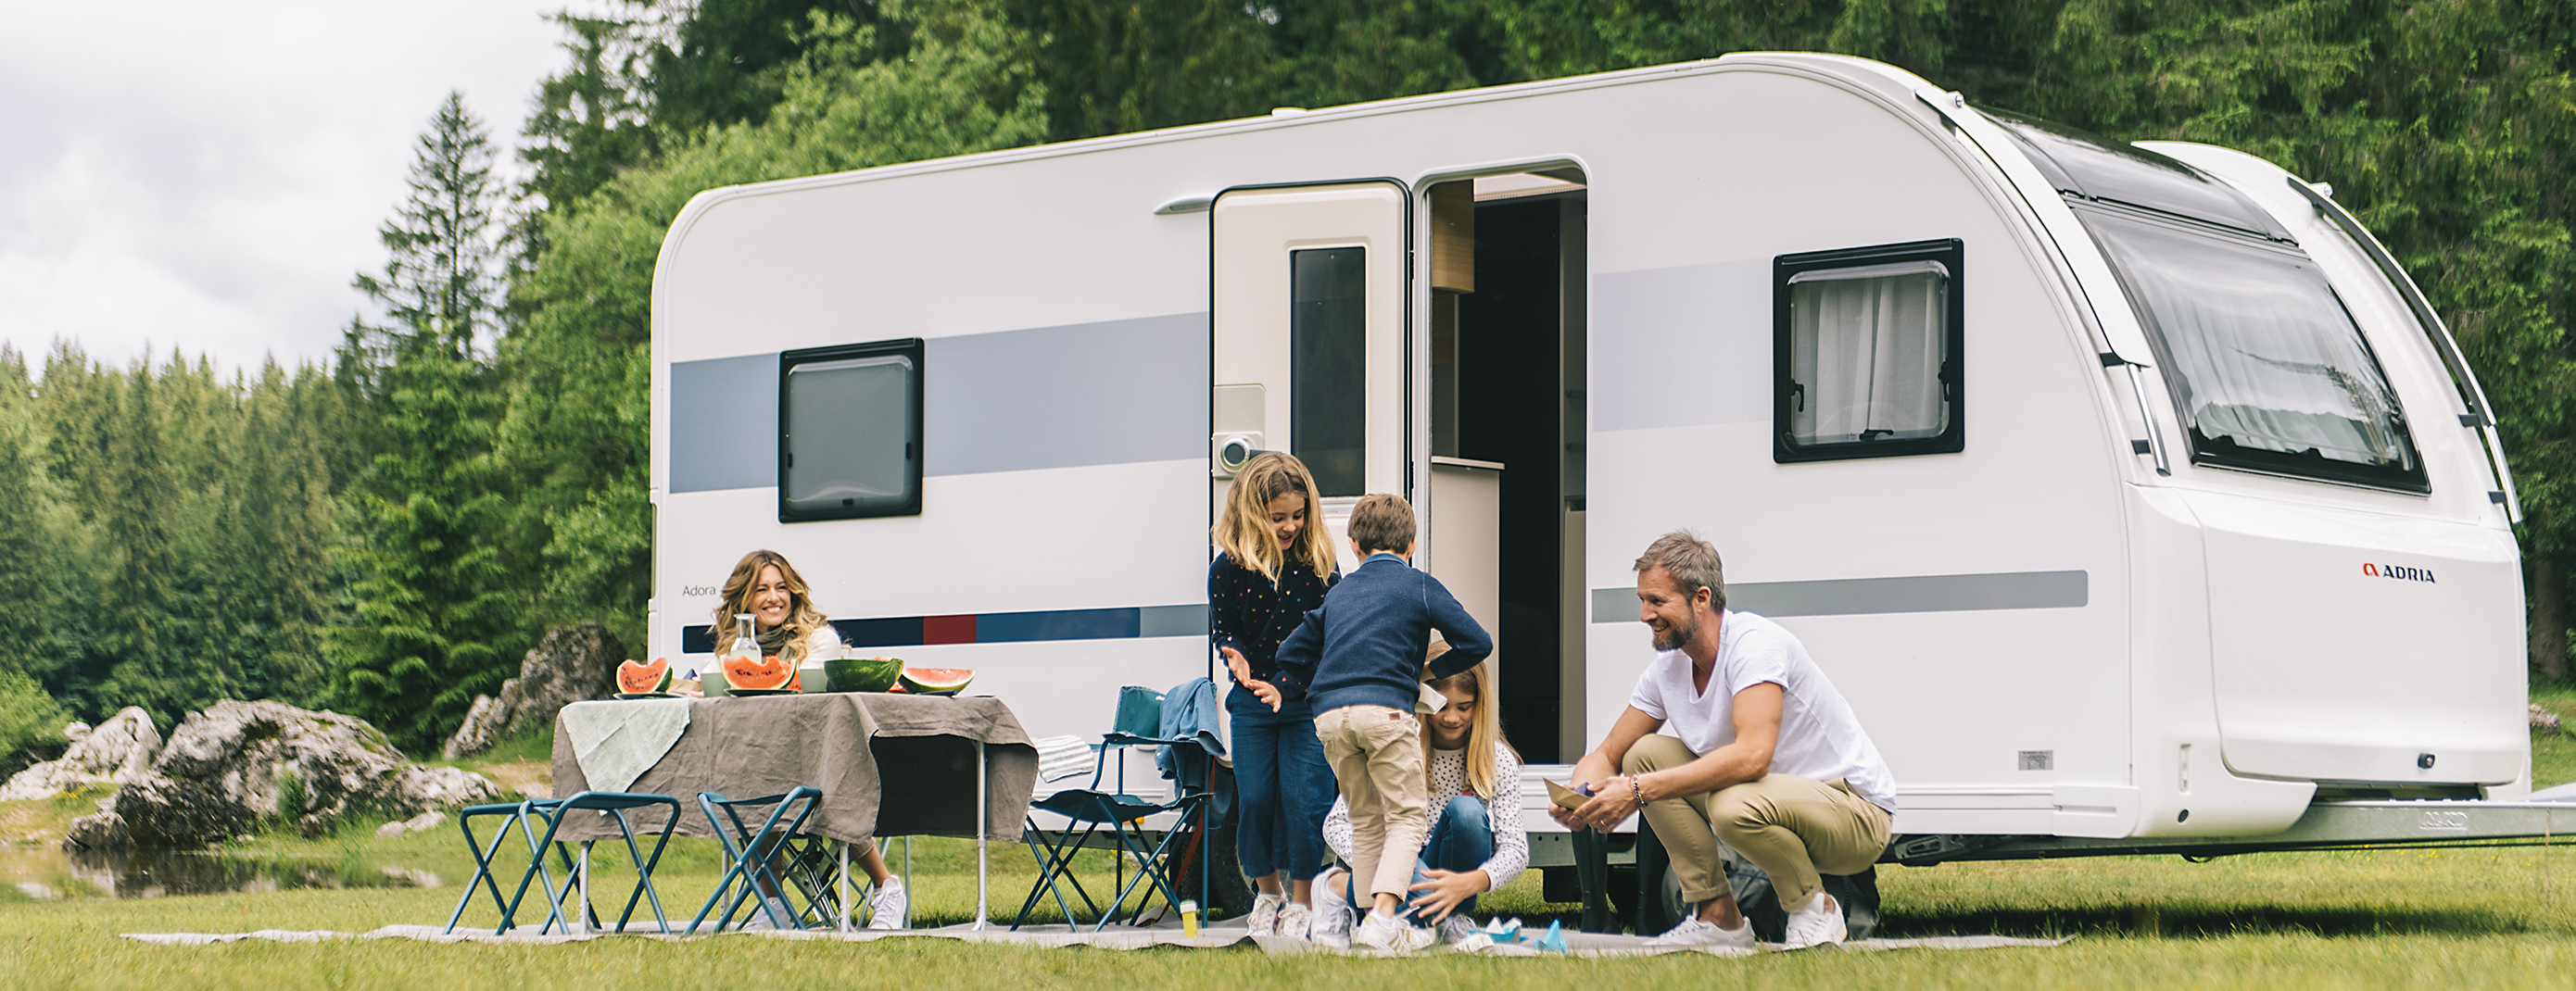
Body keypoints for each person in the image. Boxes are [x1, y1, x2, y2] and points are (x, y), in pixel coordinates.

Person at [1553, 532, 1897, 949]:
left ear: (1701, 597)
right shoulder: (1668, 669)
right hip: (1768, 805)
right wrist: (1578, 796)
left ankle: (1814, 908)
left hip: (1853, 814)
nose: (1644, 614)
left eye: (1657, 601)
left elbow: (1753, 758)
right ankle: (1718, 916)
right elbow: (1608, 754)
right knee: (1644, 754)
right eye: (1642, 600)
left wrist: (1637, 792)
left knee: (1729, 806)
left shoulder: (1755, 646)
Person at [1270, 494, 1490, 954]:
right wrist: (1422, 672)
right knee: (1406, 817)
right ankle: (1386, 917)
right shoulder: (1419, 585)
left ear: (1354, 545)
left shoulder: (1340, 592)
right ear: (1411, 544)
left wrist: (1330, 682)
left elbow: (1289, 653)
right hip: (1387, 712)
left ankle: (1367, 926)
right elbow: (1476, 641)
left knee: (1366, 820)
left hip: (1330, 718)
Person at [711, 549, 909, 930]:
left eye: (781, 588)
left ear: (794, 593)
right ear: (745, 599)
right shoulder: (737, 646)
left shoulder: (820, 639)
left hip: (826, 756)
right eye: (762, 589)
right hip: (771, 756)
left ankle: (887, 887)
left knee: (832, 791)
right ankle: (774, 903)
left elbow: (798, 680)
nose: (774, 597)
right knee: (756, 786)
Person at [1207, 453, 1343, 939]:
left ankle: (1303, 900)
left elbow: (1328, 639)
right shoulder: (1226, 571)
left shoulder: (1319, 567)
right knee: (1258, 799)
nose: (1290, 526)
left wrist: (1285, 686)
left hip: (1306, 701)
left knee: (1305, 801)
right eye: (1278, 516)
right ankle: (1268, 893)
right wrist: (1234, 657)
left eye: (1298, 515)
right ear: (1251, 514)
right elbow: (1227, 630)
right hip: (1251, 703)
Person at [1315, 648, 1526, 946]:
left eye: (1464, 707)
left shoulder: (1497, 759)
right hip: (1394, 865)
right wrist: (1391, 866)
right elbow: (1336, 825)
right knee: (1402, 859)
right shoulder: (1394, 746)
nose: (1452, 718)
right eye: (1442, 707)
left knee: (1466, 812)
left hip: (1454, 880)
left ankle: (1424, 922)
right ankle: (1335, 886)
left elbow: (1516, 850)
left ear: (1480, 705)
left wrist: (1471, 882)